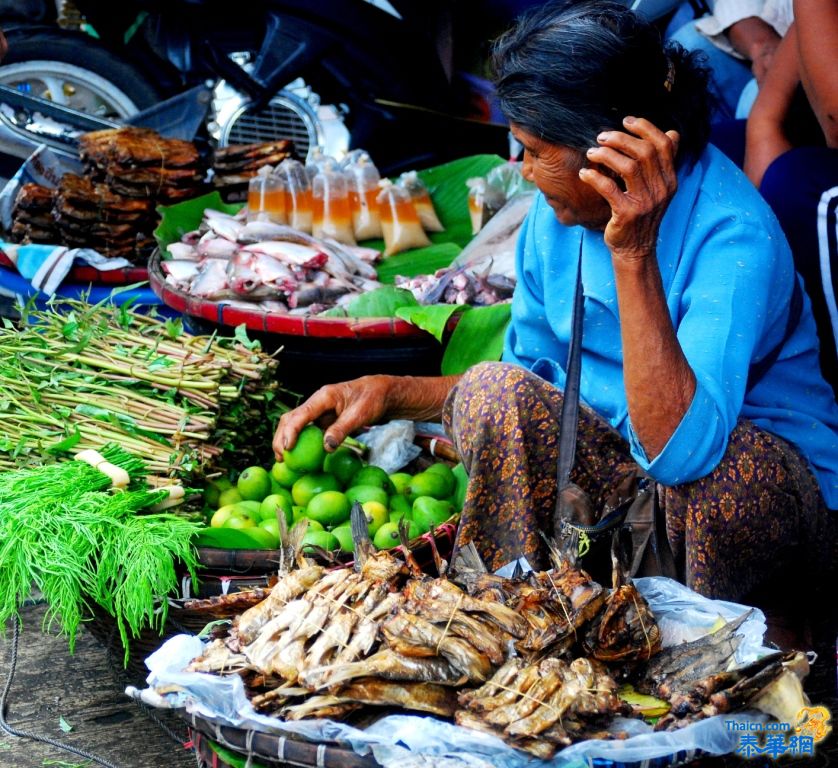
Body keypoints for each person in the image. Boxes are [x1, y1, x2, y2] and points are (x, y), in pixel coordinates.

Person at [274, 1, 838, 614]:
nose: (522, 171)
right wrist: (389, 392)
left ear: (616, 150)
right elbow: (529, 388)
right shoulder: (556, 219)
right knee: (495, 392)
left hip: (740, 503)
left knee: (727, 479)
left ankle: (728, 658)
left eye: (537, 150)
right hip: (626, 485)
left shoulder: (732, 236)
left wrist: (633, 253)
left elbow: (682, 452)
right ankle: (520, 624)